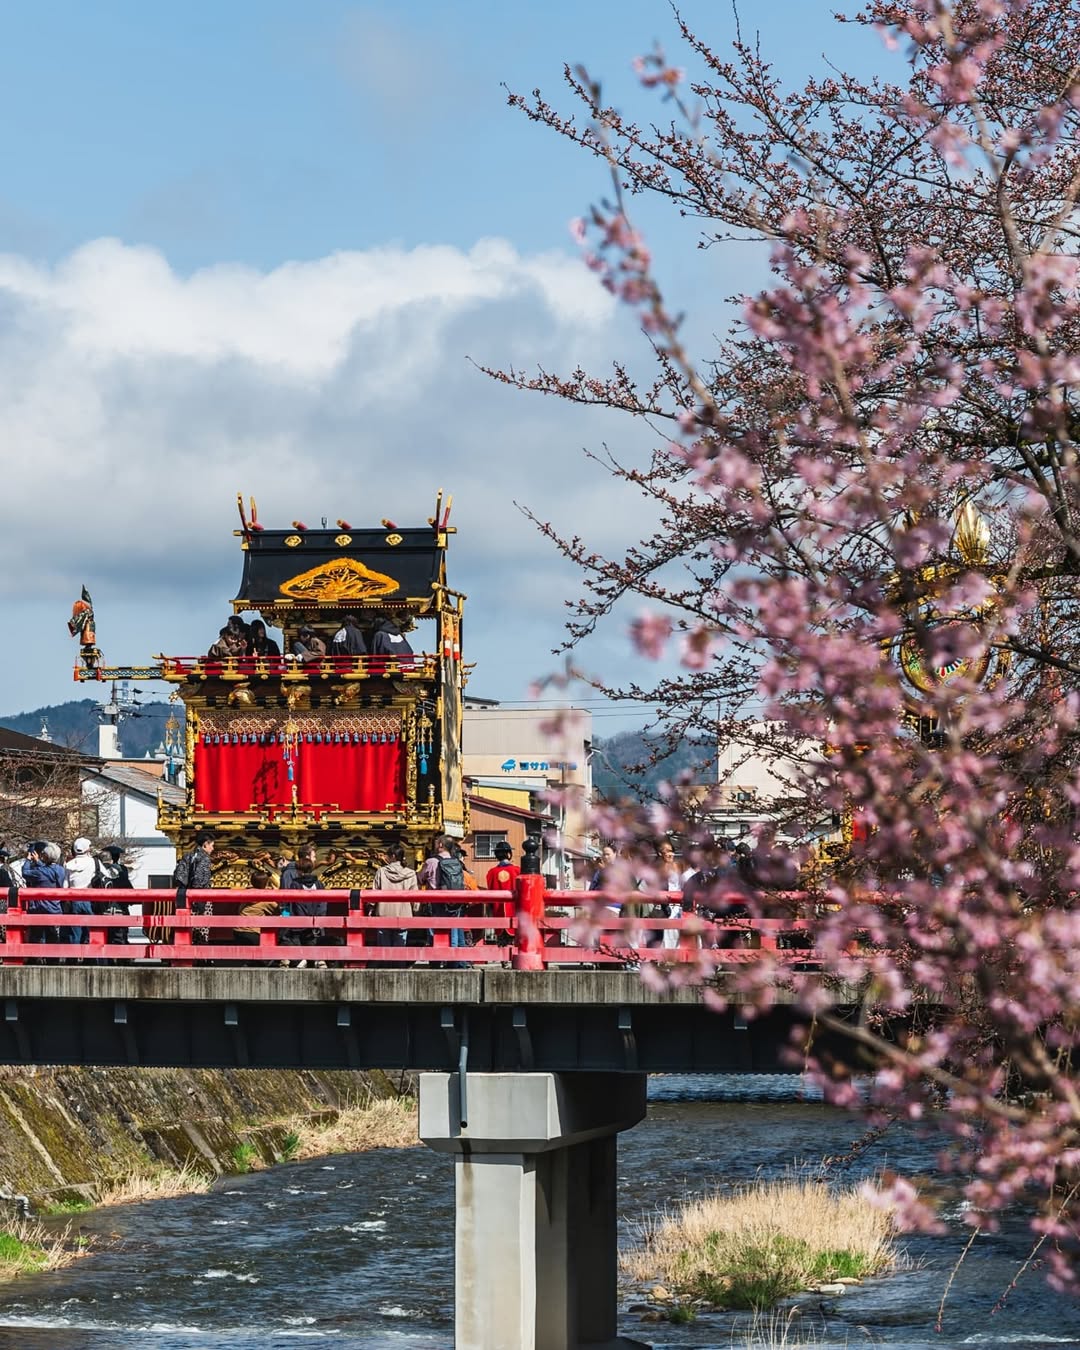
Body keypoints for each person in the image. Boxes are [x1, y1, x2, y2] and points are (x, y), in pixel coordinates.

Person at [370, 845, 418, 965]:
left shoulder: (381, 872)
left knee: (384, 948)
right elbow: (415, 896)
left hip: (384, 913)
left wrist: (371, 907)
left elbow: (374, 893)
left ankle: (385, 970)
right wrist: (415, 910)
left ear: (393, 856)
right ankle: (399, 970)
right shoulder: (411, 873)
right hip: (403, 913)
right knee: (400, 947)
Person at [280, 850, 326, 966]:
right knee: (312, 941)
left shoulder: (295, 884)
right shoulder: (319, 884)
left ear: (299, 871)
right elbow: (323, 903)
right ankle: (317, 960)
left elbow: (290, 903)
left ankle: (299, 960)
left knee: (290, 939)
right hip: (315, 919)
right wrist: (320, 917)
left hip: (298, 920)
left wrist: (285, 916)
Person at [170, 829, 215, 946]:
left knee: (189, 928)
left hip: (185, 896)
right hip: (201, 898)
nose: (213, 848)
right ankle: (201, 953)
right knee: (202, 928)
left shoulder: (188, 856)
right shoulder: (204, 858)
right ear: (205, 844)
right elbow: (199, 880)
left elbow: (179, 876)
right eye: (211, 845)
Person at [22, 842, 66, 955]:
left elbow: (25, 873)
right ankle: (53, 959)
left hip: (39, 908)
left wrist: (28, 860)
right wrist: (39, 862)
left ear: (45, 856)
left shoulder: (40, 872)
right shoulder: (61, 870)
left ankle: (34, 958)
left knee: (36, 936)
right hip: (55, 907)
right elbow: (49, 871)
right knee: (52, 936)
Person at [94, 845, 133, 954]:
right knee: (120, 934)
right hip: (119, 906)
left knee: (103, 935)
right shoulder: (121, 870)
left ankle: (105, 958)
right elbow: (127, 887)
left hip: (102, 906)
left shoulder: (98, 870)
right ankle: (121, 957)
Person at [234, 866, 279, 959]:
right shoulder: (266, 900)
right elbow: (277, 911)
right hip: (252, 932)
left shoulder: (246, 893)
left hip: (237, 930)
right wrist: (274, 894)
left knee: (249, 957)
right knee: (261, 958)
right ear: (266, 884)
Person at [64, 837, 96, 948]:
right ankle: (91, 955)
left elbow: (65, 886)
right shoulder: (94, 862)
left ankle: (74, 955)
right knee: (91, 931)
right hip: (90, 900)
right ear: (88, 849)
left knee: (75, 932)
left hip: (74, 901)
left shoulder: (69, 865)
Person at [485, 841, 519, 941]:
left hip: (497, 908)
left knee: (501, 941)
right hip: (514, 909)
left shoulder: (491, 872)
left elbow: (490, 892)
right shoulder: (517, 870)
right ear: (509, 854)